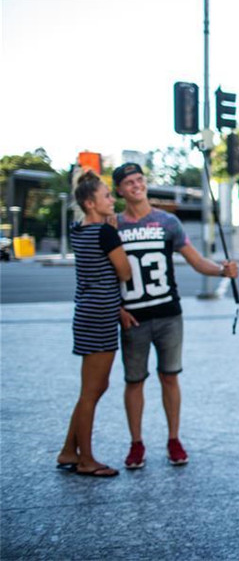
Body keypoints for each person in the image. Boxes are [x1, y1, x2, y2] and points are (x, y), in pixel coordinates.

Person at [112, 163, 239, 469]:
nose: (136, 185)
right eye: (129, 182)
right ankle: (136, 444)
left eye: (140, 180)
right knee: (134, 381)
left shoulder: (167, 222)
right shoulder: (113, 225)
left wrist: (222, 269)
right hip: (134, 317)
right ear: (119, 190)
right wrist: (118, 308)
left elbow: (195, 261)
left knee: (170, 377)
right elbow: (106, 274)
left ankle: (173, 439)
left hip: (169, 314)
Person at [57, 170, 131, 477]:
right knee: (91, 391)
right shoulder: (105, 233)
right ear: (90, 203)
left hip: (87, 311)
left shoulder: (78, 230)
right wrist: (113, 234)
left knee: (96, 386)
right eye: (107, 196)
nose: (112, 200)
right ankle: (85, 460)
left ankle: (67, 451)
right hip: (100, 314)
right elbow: (124, 272)